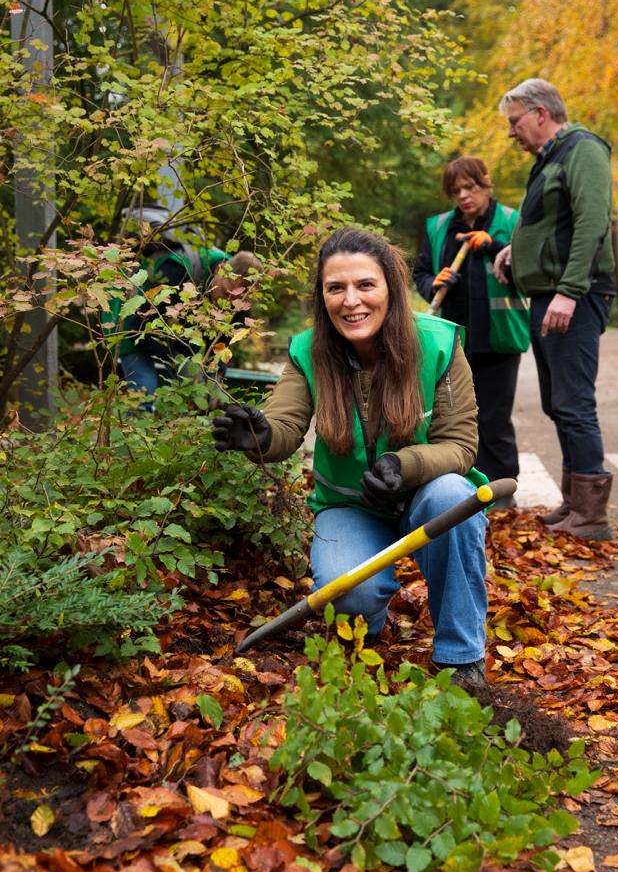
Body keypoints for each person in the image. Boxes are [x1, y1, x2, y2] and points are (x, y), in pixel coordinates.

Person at [213, 227, 490, 685]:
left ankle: (461, 658)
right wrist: (259, 436)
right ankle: (370, 615)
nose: (351, 301)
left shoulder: (439, 344)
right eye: (335, 288)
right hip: (350, 509)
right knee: (349, 597)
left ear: (391, 289)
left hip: (423, 497)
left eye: (365, 285)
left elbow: (460, 445)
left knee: (454, 497)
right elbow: (283, 425)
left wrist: (405, 466)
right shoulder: (308, 351)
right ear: (322, 297)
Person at [493, 79, 616, 539]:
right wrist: (513, 251)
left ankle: (592, 516)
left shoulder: (582, 149)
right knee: (558, 402)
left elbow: (590, 222)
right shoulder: (551, 158)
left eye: (515, 121)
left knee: (574, 401)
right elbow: (547, 223)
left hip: (575, 297)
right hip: (549, 293)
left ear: (541, 113)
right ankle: (574, 503)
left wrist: (569, 290)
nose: (511, 133)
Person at [414, 157, 529, 505]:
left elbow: (528, 270)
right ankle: (461, 492)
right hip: (452, 341)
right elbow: (420, 273)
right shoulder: (437, 228)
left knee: (495, 418)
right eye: (456, 191)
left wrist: (494, 246)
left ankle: (502, 492)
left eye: (471, 187)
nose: (464, 196)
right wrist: (432, 283)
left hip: (500, 337)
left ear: (486, 183)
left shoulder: (510, 222)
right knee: (454, 418)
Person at [103, 205, 257, 409]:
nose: (229, 301)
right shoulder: (179, 271)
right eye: (228, 292)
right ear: (222, 269)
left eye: (237, 297)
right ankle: (132, 436)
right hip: (132, 324)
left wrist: (216, 375)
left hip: (176, 337)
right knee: (145, 387)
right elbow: (141, 328)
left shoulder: (239, 295)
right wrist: (182, 362)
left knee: (199, 393)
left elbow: (220, 344)